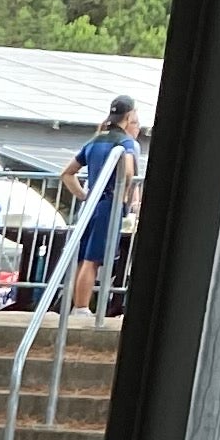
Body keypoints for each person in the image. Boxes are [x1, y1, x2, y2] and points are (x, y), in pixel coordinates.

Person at [61, 95, 141, 316]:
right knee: (93, 259)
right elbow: (127, 170)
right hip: (108, 205)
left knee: (83, 257)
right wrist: (124, 196)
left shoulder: (95, 140)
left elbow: (67, 173)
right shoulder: (125, 142)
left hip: (90, 206)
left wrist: (84, 195)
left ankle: (78, 306)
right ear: (129, 116)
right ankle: (82, 307)